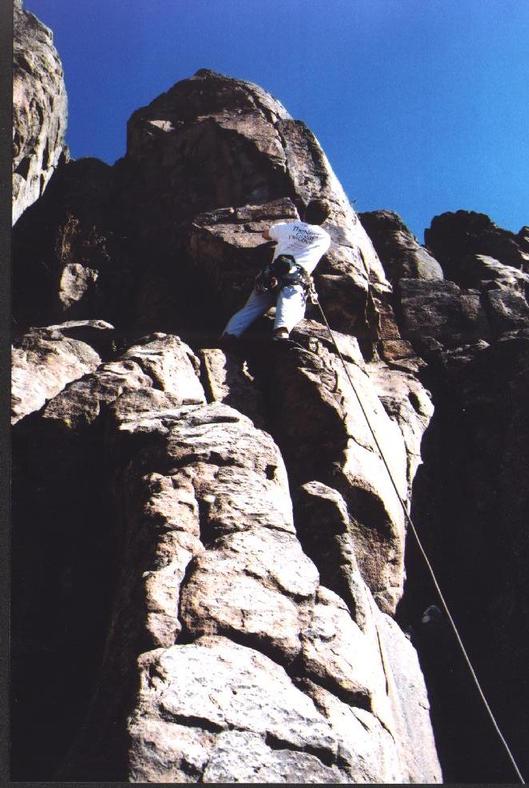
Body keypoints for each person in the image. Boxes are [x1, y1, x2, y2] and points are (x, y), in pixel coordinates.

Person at [221, 199, 331, 342]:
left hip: (271, 275)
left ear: (305, 212)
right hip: (295, 278)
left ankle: (229, 334)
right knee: (291, 305)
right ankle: (281, 333)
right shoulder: (324, 238)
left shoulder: (287, 227)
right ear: (323, 220)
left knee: (251, 309)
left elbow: (266, 234)